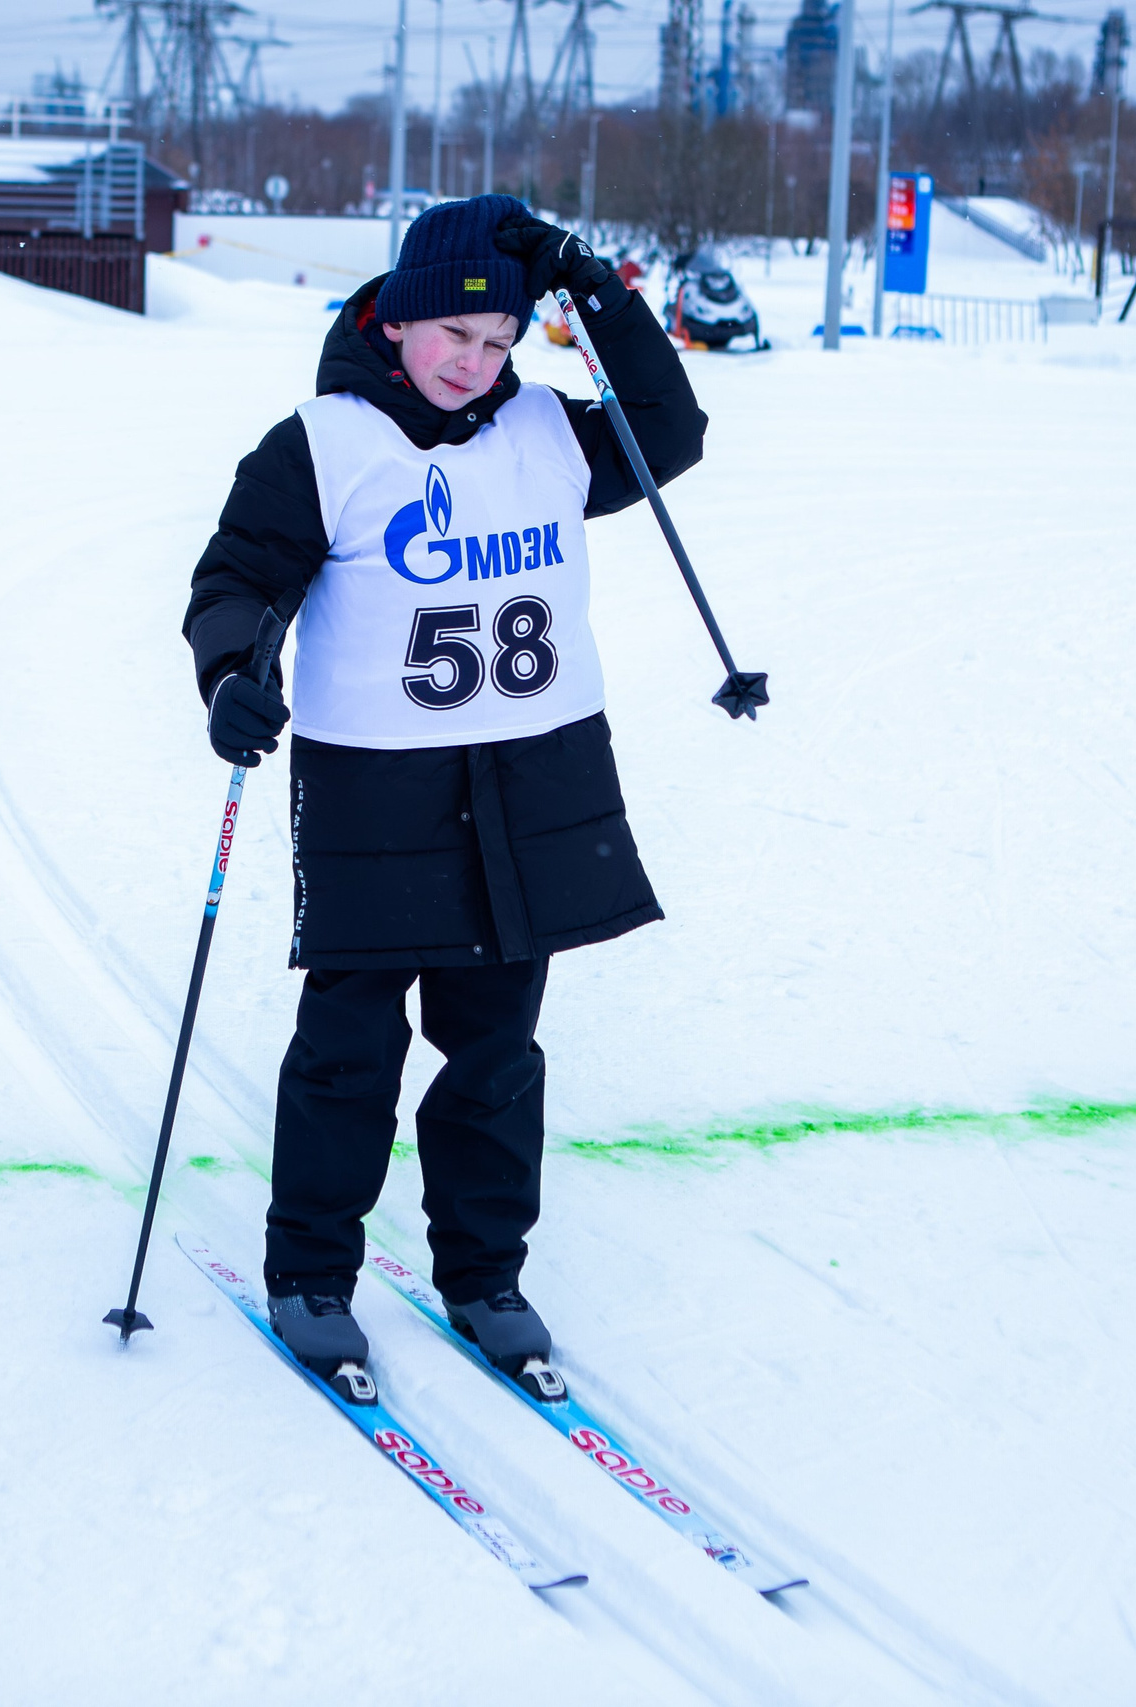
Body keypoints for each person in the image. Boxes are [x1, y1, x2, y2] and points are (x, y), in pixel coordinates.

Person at [181, 194, 706, 1394]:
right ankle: (312, 1272)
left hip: (533, 783)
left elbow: (668, 434)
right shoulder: (320, 444)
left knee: (494, 1056)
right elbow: (239, 578)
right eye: (454, 338)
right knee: (349, 1050)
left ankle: (483, 1275)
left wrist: (594, 289)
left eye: (499, 343)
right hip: (379, 789)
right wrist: (230, 670)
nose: (476, 364)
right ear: (399, 319)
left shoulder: (549, 435)